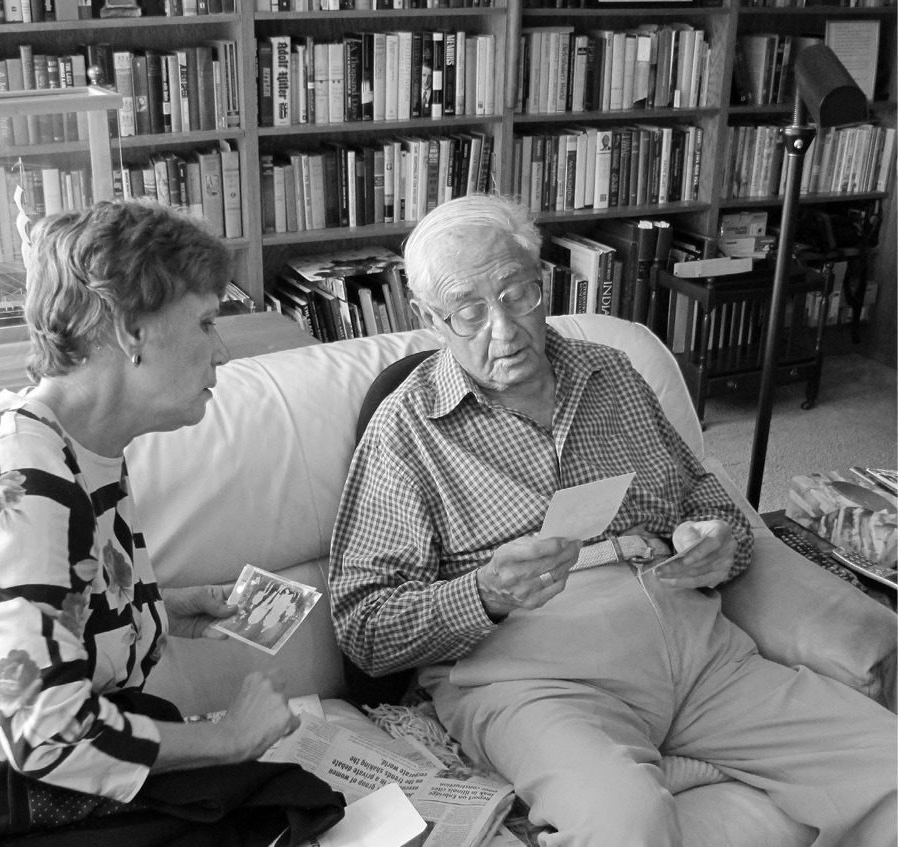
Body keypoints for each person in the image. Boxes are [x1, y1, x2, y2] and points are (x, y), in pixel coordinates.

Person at [329, 194, 897, 846]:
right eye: (468, 311)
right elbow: (364, 629)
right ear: (431, 317)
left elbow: (706, 500)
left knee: (887, 763)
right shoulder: (406, 432)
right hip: (533, 679)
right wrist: (483, 593)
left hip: (696, 647)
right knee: (624, 822)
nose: (504, 329)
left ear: (544, 281)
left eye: (518, 294)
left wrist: (718, 542)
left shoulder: (613, 373)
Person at [0, 200, 342, 847]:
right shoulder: (20, 473)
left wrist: (158, 607)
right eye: (205, 321)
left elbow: (52, 607)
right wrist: (227, 736)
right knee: (280, 806)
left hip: (36, 747)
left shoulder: (84, 445)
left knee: (282, 804)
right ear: (130, 330)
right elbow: (44, 731)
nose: (221, 350)